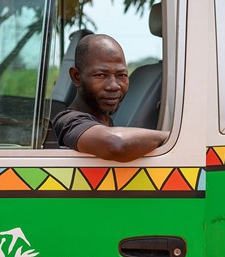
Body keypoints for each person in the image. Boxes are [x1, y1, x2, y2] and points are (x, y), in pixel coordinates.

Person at [53, 34, 168, 162]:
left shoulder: (105, 120)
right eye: (101, 75)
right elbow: (116, 144)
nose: (114, 86)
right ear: (76, 77)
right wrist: (173, 137)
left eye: (122, 75)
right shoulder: (69, 121)